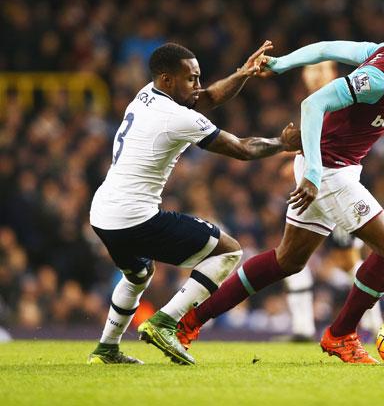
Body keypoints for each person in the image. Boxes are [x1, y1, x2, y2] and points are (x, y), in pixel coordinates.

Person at [176, 23, 384, 364]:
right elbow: (312, 104)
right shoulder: (379, 80)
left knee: (286, 260)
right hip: (329, 173)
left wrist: (281, 63)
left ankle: (190, 320)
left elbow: (326, 48)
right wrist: (312, 174)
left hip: (329, 168)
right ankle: (341, 335)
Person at [87, 41, 301, 366]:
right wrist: (281, 144)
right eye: (191, 79)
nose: (198, 86)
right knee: (229, 250)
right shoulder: (176, 116)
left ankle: (106, 349)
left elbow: (210, 97)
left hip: (103, 214)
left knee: (138, 275)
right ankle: (165, 322)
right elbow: (242, 149)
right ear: (168, 79)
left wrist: (242, 74)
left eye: (198, 77)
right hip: (134, 217)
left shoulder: (148, 93)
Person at [283, 62, 383, 342]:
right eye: (310, 70)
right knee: (292, 256)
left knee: (348, 260)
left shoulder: (341, 97)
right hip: (313, 188)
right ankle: (302, 328)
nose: (314, 74)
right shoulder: (313, 103)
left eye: (321, 69)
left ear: (332, 73)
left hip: (337, 186)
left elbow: (335, 144)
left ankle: (375, 325)